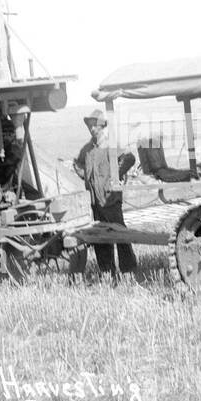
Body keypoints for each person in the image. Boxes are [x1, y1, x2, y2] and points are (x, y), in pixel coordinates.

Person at [73, 109, 137, 277]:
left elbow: (130, 158)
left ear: (102, 127)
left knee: (120, 234)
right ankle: (107, 272)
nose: (92, 128)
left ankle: (128, 270)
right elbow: (77, 164)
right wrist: (87, 178)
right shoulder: (87, 149)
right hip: (96, 201)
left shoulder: (110, 145)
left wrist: (115, 176)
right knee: (100, 236)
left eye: (95, 125)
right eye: (89, 125)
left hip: (110, 199)